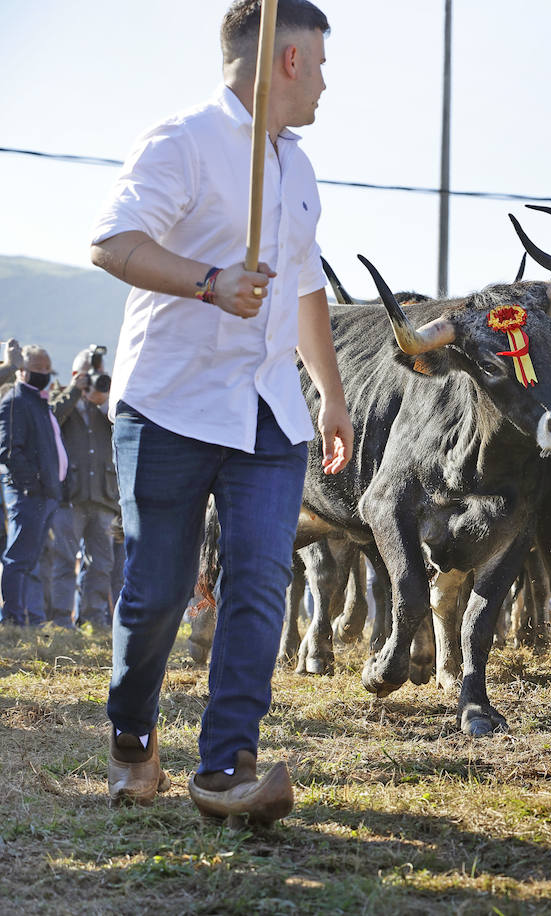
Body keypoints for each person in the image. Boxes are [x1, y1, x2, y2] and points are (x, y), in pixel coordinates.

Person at [89, 0, 352, 824]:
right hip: (170, 402)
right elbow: (111, 243)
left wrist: (332, 396)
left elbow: (307, 287)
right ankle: (132, 739)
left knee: (261, 584)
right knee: (160, 590)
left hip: (271, 414)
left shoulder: (298, 167)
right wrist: (208, 281)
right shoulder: (184, 140)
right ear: (285, 60)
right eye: (320, 63)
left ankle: (227, 765)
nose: (326, 84)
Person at [48, 362, 120, 628]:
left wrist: (104, 400)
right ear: (75, 374)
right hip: (71, 496)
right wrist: (74, 393)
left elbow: (121, 422)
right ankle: (60, 619)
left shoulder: (104, 405)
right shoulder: (61, 399)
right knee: (65, 560)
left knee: (102, 563)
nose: (93, 379)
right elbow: (51, 419)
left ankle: (93, 618)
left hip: (103, 496)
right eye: (87, 373)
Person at [0, 346, 67, 626]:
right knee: (18, 559)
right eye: (37, 371)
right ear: (21, 370)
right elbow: (9, 451)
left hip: (47, 495)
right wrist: (33, 485)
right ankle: (13, 618)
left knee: (32, 561)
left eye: (46, 371)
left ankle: (29, 617)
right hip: (30, 496)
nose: (43, 376)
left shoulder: (38, 401)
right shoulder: (14, 400)